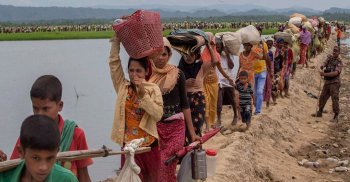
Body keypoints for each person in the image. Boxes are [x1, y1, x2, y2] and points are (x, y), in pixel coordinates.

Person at [10, 75, 92, 182]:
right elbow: (15, 168)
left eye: (45, 108)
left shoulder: (75, 134)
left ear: (60, 105)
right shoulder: (28, 135)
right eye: (35, 108)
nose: (40, 114)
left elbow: (83, 175)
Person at [109, 34, 163, 182]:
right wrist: (117, 41)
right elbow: (114, 64)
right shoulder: (123, 87)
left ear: (146, 72)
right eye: (131, 70)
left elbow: (158, 115)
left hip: (148, 146)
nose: (134, 75)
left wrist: (143, 95)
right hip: (129, 148)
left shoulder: (153, 89)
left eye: (138, 71)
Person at [149, 37, 199, 182]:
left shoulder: (177, 74)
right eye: (157, 54)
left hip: (176, 128)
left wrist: (192, 133)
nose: (160, 58)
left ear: (169, 55)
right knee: (159, 166)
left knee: (166, 162)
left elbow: (185, 105)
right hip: (155, 128)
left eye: (164, 54)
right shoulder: (147, 75)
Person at [0, 115, 78, 182]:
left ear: (57, 152)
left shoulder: (67, 179)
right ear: (21, 152)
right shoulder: (3, 177)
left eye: (50, 158)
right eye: (36, 158)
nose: (43, 167)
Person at [178, 39, 219, 140]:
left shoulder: (201, 67)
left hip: (198, 99)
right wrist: (184, 83)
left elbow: (215, 61)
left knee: (197, 125)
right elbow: (175, 86)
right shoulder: (178, 70)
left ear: (196, 55)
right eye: (186, 55)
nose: (188, 57)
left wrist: (209, 46)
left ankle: (196, 147)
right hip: (184, 100)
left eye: (191, 55)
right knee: (184, 126)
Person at [312, 46, 343, 122]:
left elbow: (335, 73)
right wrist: (322, 65)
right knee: (323, 96)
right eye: (334, 51)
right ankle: (320, 111)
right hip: (328, 81)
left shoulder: (339, 62)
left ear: (339, 53)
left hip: (335, 82)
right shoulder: (329, 58)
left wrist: (324, 74)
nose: (334, 52)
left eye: (336, 51)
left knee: (334, 99)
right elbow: (324, 63)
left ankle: (336, 116)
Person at [215, 37, 238, 126]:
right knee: (218, 100)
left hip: (228, 80)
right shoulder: (215, 56)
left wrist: (227, 55)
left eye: (218, 47)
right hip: (219, 81)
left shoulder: (227, 55)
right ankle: (219, 119)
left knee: (232, 99)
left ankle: (235, 115)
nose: (217, 49)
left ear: (222, 47)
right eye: (215, 47)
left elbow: (231, 66)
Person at [253, 27, 270, 115]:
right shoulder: (250, 44)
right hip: (252, 71)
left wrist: (270, 71)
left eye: (259, 34)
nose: (258, 35)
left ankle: (258, 111)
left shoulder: (263, 44)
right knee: (254, 92)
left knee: (259, 91)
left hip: (262, 70)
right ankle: (256, 106)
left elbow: (266, 58)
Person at [264, 37, 275, 107]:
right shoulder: (264, 52)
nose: (269, 46)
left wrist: (271, 72)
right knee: (264, 87)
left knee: (269, 86)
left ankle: (267, 102)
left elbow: (271, 63)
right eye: (268, 44)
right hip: (263, 70)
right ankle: (264, 101)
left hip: (269, 71)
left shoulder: (270, 53)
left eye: (270, 45)